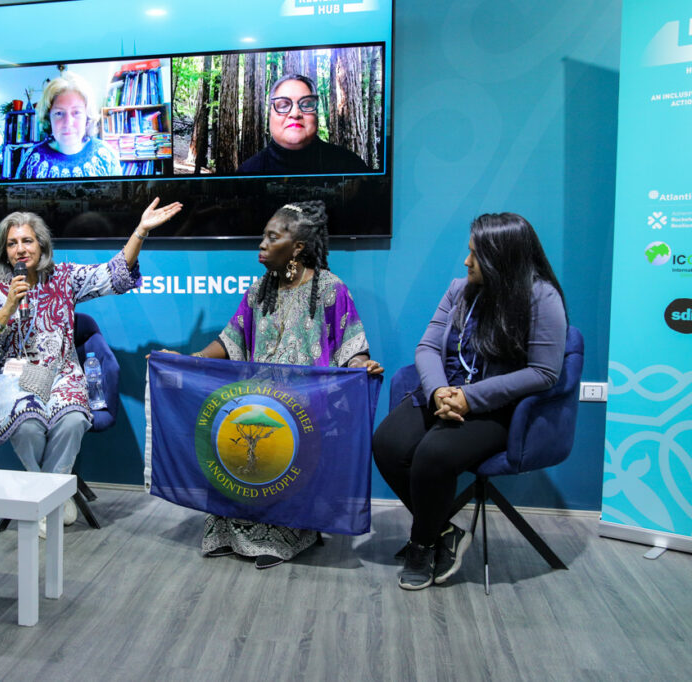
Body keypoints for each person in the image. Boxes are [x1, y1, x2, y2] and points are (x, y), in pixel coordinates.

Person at [176, 201, 383, 569]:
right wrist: (190, 360)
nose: (262, 244)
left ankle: (290, 531)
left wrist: (361, 365)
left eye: (273, 237)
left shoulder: (330, 289)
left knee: (275, 440)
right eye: (263, 236)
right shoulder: (261, 289)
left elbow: (352, 345)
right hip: (257, 398)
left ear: (298, 247)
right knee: (225, 429)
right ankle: (229, 531)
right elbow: (231, 340)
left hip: (306, 406)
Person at [372, 213, 567, 590]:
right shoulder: (459, 291)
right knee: (387, 444)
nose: (466, 261)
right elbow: (428, 346)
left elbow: (545, 372)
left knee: (434, 454)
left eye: (475, 255)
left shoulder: (542, 298)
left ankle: (422, 543)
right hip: (445, 392)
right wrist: (439, 391)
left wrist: (470, 398)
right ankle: (447, 531)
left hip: (496, 406)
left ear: (501, 258)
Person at [0, 198, 182, 534]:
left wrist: (140, 231)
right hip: (15, 372)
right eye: (12, 243)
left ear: (41, 244)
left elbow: (113, 275)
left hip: (59, 371)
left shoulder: (63, 277)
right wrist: (7, 308)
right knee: (29, 421)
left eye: (27, 240)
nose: (21, 249)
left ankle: (45, 496)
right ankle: (53, 496)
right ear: (3, 252)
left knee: (73, 418)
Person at [236, 74, 371, 175]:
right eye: (283, 105)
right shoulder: (247, 172)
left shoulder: (349, 165)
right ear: (270, 115)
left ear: (316, 114)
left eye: (306, 104)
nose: (295, 113)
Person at [16, 71, 122, 179]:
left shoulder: (106, 157)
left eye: (76, 112)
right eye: (59, 113)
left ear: (87, 116)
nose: (68, 123)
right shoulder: (32, 160)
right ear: (48, 118)